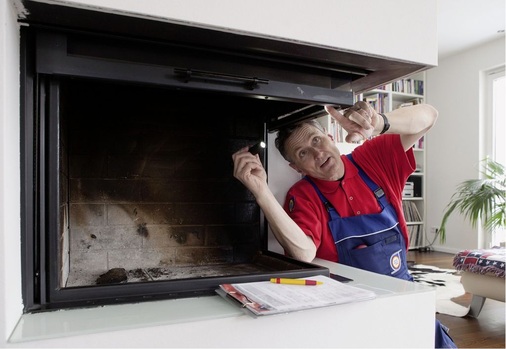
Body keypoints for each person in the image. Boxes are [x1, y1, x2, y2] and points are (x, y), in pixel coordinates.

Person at [232, 100, 457, 348]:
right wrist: (261, 192)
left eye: (316, 140)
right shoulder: (303, 195)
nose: (317, 154)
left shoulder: (372, 159)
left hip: (404, 297)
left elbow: (429, 116)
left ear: (329, 136)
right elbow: (303, 253)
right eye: (303, 153)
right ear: (296, 168)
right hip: (351, 312)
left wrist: (378, 122)